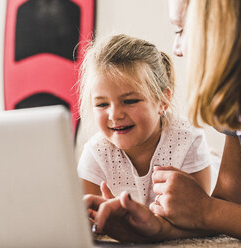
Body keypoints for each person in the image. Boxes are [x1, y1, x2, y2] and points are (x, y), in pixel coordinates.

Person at [84, 0, 241, 246]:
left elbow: (215, 213)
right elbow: (229, 210)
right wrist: (155, 229)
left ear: (227, 27)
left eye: (181, 30)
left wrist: (206, 211)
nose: (177, 50)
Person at [77, 34, 212, 206]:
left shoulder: (187, 140)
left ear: (163, 101)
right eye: (102, 104)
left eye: (130, 101)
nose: (115, 115)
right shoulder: (96, 152)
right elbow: (85, 213)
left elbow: (198, 212)